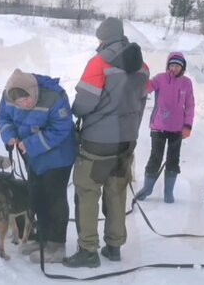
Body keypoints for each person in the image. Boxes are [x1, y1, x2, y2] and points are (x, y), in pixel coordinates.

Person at [62, 17, 150, 268]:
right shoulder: (142, 66)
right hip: (127, 140)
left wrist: (77, 112)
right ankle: (114, 246)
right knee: (117, 190)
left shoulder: (99, 63)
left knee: (88, 191)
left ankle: (88, 250)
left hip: (98, 141)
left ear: (103, 37)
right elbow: (142, 101)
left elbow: (83, 104)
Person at [0, 68, 77, 264]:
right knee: (37, 195)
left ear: (33, 91)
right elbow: (3, 117)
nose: (24, 105)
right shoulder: (8, 96)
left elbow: (62, 128)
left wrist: (31, 144)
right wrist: (9, 136)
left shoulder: (54, 97)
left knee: (54, 198)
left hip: (57, 156)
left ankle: (56, 245)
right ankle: (43, 237)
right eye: (19, 103)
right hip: (33, 156)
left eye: (27, 100)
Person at [134, 52, 195, 203]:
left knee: (173, 160)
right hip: (158, 126)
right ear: (168, 66)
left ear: (182, 67)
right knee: (155, 157)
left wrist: (188, 125)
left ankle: (169, 192)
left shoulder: (186, 83)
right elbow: (146, 87)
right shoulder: (160, 78)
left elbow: (190, 105)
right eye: (172, 65)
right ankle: (147, 189)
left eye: (177, 66)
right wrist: (139, 73)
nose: (174, 68)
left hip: (177, 129)